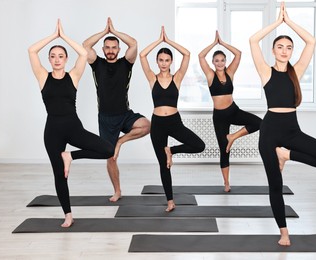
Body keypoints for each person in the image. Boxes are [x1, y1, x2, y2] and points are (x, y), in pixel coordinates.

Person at [249, 2, 316, 246]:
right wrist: (276, 24)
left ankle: (287, 155)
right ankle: (284, 233)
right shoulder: (265, 72)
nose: (285, 51)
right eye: (280, 47)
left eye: (289, 47)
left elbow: (311, 41)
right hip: (269, 132)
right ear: (273, 50)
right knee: (275, 185)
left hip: (291, 131)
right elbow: (252, 41)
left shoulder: (295, 71)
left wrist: (290, 23)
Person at [28, 19, 114, 227]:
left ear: (66, 59)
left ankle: (71, 156)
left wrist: (63, 36)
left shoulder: (73, 76)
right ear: (49, 59)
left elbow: (83, 54)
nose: (57, 60)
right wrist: (53, 36)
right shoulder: (43, 77)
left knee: (108, 149)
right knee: (60, 175)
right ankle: (68, 215)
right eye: (53, 56)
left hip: (73, 127)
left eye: (61, 56)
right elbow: (31, 50)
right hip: (53, 132)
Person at [82, 17, 150, 202]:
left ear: (119, 50)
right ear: (103, 50)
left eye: (114, 47)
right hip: (105, 118)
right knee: (110, 157)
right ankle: (118, 191)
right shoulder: (97, 64)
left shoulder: (126, 63)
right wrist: (105, 32)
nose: (111, 51)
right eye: (108, 47)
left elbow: (134, 43)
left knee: (146, 126)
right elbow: (85, 45)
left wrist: (115, 31)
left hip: (124, 114)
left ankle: (119, 142)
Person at [140, 26, 205, 212]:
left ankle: (172, 150)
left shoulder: (177, 78)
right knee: (163, 165)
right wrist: (158, 42)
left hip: (175, 122)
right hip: (158, 124)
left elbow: (187, 54)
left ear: (171, 62)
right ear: (157, 61)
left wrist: (168, 41)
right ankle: (170, 201)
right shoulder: (152, 78)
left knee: (199, 145)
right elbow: (142, 56)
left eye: (167, 60)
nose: (163, 63)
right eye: (160, 60)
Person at [198, 31, 262, 192]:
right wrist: (214, 43)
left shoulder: (230, 72)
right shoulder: (210, 75)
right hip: (219, 117)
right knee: (224, 149)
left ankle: (233, 136)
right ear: (213, 62)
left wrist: (223, 43)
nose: (220, 63)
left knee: (258, 122)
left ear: (225, 61)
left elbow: (239, 54)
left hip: (233, 110)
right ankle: (226, 183)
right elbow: (200, 56)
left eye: (222, 60)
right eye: (217, 60)